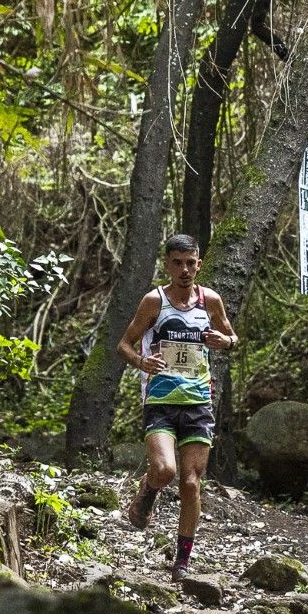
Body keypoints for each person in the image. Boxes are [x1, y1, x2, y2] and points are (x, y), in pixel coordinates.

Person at [119, 234, 239, 574]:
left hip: (199, 401)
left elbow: (232, 337)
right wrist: (142, 362)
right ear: (167, 264)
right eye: (177, 263)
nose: (184, 270)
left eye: (190, 263)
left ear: (199, 264)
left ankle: (182, 560)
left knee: (190, 483)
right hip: (160, 400)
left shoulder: (210, 301)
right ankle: (148, 490)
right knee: (164, 470)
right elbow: (124, 345)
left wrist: (225, 342)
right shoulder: (153, 302)